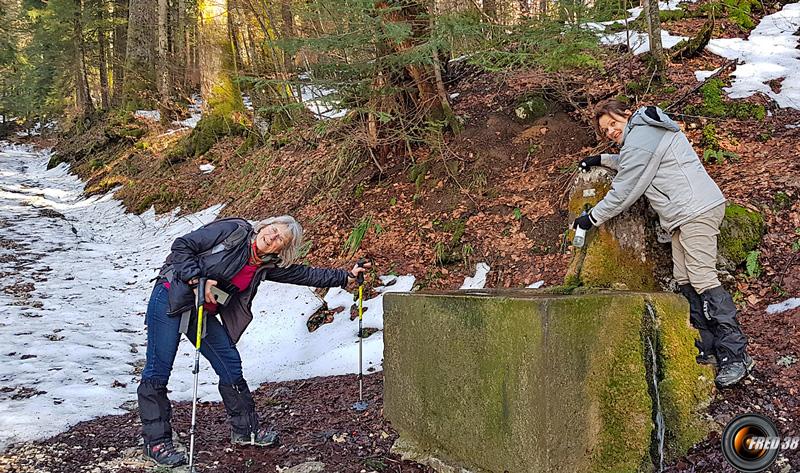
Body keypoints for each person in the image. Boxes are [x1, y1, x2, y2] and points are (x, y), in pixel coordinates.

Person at [137, 215, 369, 466]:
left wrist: (345, 277)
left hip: (203, 309)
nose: (272, 237)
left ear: (283, 249)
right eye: (272, 230)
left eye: (280, 238)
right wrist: (195, 280)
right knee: (158, 371)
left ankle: (245, 431)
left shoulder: (264, 264)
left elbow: (304, 274)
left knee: (230, 364)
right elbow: (182, 245)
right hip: (171, 296)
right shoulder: (233, 232)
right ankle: (156, 442)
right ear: (265, 226)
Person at [574, 99, 753, 388]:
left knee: (702, 277)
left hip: (696, 210)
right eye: (604, 130)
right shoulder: (643, 136)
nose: (609, 132)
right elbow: (634, 163)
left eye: (612, 124)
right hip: (684, 214)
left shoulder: (643, 135)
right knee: (684, 279)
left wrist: (590, 219)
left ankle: (736, 355)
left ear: (626, 115)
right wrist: (602, 160)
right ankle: (707, 347)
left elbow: (625, 190)